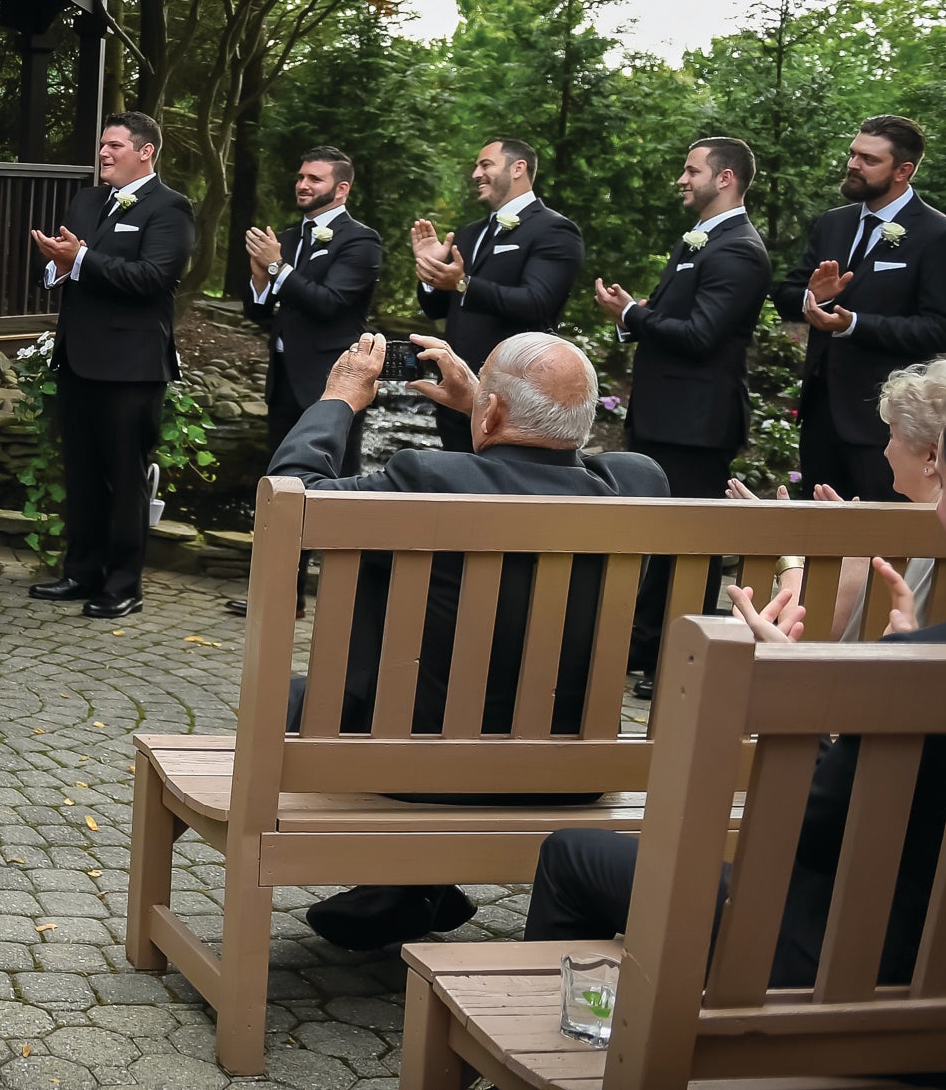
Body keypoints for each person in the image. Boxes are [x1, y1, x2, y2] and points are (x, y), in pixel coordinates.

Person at [524, 371, 946, 1007]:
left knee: (571, 857)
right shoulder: (933, 655)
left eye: (943, 486)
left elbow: (806, 836)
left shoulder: (917, 666)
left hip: (866, 986)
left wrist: (802, 693)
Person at [269, 329, 669, 953]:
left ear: (497, 411)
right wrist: (483, 403)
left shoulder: (426, 477)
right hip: (571, 770)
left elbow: (291, 502)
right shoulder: (640, 486)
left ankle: (401, 887)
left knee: (297, 698)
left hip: (411, 767)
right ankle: (401, 891)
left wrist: (339, 399)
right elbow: (550, 454)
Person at [598, 136, 772, 692]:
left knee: (691, 548)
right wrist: (633, 316)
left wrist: (631, 312)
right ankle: (644, 646)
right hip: (667, 416)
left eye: (691, 170)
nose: (681, 178)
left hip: (697, 425)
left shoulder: (740, 248)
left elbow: (700, 336)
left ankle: (677, 658)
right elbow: (676, 317)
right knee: (663, 540)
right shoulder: (701, 241)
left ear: (725, 179)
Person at [28, 111, 194, 621]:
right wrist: (57, 267)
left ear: (146, 151)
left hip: (131, 366)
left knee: (124, 479)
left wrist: (80, 261)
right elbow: (62, 266)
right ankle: (81, 571)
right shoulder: (88, 200)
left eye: (115, 145)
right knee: (79, 471)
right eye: (102, 144)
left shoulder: (170, 209)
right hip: (78, 358)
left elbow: (152, 278)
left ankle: (124, 585)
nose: (103, 153)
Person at [771, 115, 946, 501]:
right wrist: (814, 297)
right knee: (820, 537)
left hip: (889, 425)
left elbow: (944, 329)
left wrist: (854, 324)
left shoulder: (940, 236)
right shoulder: (832, 224)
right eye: (852, 154)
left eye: (868, 159)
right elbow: (786, 295)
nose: (852, 164)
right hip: (821, 417)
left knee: (879, 540)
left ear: (903, 170)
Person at [725, 356, 946, 644]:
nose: (885, 451)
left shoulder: (892, 537)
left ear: (931, 456)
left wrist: (786, 549)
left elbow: (804, 632)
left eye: (892, 435)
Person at [412, 139, 584, 451]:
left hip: (513, 398)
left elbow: (537, 303)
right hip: (457, 391)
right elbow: (436, 309)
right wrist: (431, 272)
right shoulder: (469, 233)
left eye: (485, 165)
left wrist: (464, 283)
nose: (476, 173)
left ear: (518, 168)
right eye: (476, 167)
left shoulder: (555, 230)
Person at [243, 144, 382, 460]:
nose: (302, 185)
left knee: (332, 480)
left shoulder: (361, 240)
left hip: (332, 381)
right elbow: (257, 313)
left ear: (341, 189)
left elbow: (328, 303)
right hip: (282, 385)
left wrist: (277, 267)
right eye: (301, 177)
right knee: (279, 477)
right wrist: (260, 280)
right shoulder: (286, 239)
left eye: (315, 179)